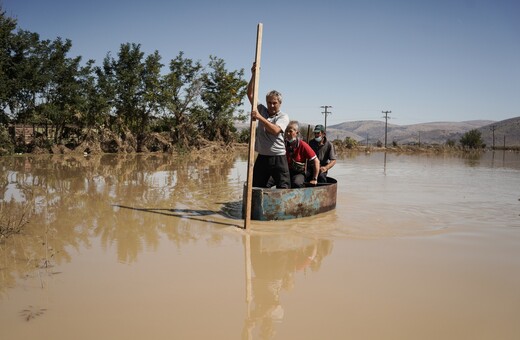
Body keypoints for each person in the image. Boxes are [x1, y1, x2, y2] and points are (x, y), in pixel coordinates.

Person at [247, 62, 290, 188]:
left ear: (280, 103)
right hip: (263, 157)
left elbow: (275, 130)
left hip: (278, 157)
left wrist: (260, 118)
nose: (271, 105)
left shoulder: (283, 116)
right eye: (269, 102)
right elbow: (250, 94)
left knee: (284, 187)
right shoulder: (262, 109)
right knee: (256, 186)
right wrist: (254, 75)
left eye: (274, 103)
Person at [284, 121, 319, 188]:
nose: (288, 134)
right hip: (285, 172)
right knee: (270, 182)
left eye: (290, 131)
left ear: (296, 133)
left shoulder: (303, 145)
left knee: (297, 183)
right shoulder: (283, 144)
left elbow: (316, 161)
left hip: (298, 173)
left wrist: (314, 179)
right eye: (286, 131)